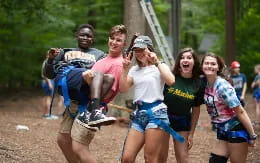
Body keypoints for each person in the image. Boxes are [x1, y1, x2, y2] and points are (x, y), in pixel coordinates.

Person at [44, 24, 127, 163]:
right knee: (63, 140)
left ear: (93, 39)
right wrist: (51, 59)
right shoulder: (67, 52)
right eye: (112, 38)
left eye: (88, 36)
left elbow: (109, 88)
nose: (85, 38)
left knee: (79, 147)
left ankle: (93, 112)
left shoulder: (103, 57)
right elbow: (50, 73)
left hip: (89, 106)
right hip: (73, 101)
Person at [119, 35, 183, 163]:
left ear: (150, 49)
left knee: (150, 158)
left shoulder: (159, 66)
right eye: (136, 50)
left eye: (142, 49)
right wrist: (124, 70)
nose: (139, 53)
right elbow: (123, 88)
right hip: (139, 114)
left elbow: (171, 81)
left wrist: (157, 61)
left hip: (156, 114)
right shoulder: (134, 70)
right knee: (126, 158)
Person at [201, 52, 257, 163]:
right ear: (202, 66)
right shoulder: (205, 83)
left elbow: (240, 111)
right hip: (222, 130)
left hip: (235, 129)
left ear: (218, 67)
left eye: (213, 64)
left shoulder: (222, 86)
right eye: (206, 63)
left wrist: (252, 135)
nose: (209, 66)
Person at [162, 47, 205, 163]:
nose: (185, 60)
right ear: (179, 62)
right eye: (182, 58)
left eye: (189, 58)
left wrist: (191, 133)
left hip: (182, 121)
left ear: (194, 62)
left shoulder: (199, 83)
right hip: (163, 120)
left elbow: (196, 110)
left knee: (183, 157)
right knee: (160, 156)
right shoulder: (170, 76)